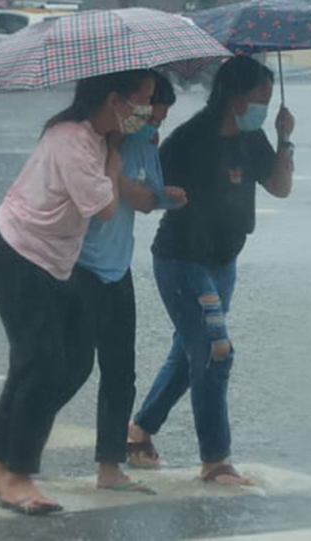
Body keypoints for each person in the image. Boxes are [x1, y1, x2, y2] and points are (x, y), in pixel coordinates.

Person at [0, 69, 157, 516]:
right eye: (141, 101)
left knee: (70, 362)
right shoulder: (74, 141)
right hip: (19, 257)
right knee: (44, 363)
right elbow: (107, 208)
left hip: (48, 263)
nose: (145, 113)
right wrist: (115, 163)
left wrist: (115, 150)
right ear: (114, 100)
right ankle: (18, 477)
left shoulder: (93, 136)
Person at [127, 55, 295, 486]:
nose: (265, 105)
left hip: (223, 263)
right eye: (261, 98)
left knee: (191, 353)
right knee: (215, 350)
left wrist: (283, 138)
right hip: (182, 261)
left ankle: (139, 432)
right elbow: (148, 188)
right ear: (234, 97)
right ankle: (215, 461)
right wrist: (166, 194)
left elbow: (280, 187)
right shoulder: (190, 138)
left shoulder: (253, 137)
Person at [74, 73, 186, 495]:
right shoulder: (91, 140)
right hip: (78, 266)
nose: (153, 124)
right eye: (148, 113)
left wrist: (161, 195)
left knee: (121, 372)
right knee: (69, 368)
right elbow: (121, 195)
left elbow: (144, 198)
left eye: (159, 118)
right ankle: (15, 453)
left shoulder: (142, 142)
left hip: (116, 269)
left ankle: (110, 466)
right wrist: (118, 166)